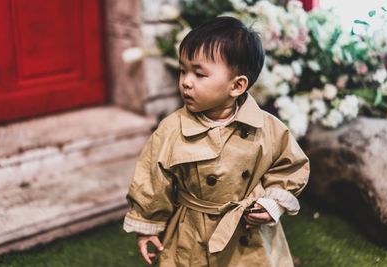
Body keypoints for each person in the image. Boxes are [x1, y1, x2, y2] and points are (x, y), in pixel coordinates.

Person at [123, 16, 310, 267]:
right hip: (193, 231)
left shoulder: (267, 127)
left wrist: (272, 203)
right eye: (183, 71)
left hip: (247, 230)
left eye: (199, 74)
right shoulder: (171, 130)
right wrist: (147, 227)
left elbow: (290, 166)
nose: (186, 82)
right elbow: (152, 181)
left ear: (237, 86)